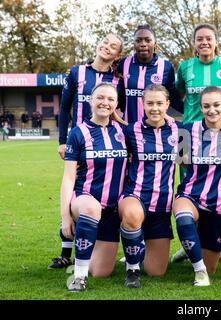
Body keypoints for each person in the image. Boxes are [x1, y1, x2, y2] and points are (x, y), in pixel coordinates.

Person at [49, 33, 124, 270]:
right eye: (104, 41)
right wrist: (62, 140)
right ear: (98, 44)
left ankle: (97, 249)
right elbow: (64, 106)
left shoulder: (117, 78)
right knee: (74, 189)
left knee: (103, 187)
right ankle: (65, 251)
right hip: (79, 142)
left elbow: (119, 111)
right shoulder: (76, 72)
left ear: (117, 55)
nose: (107, 47)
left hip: (105, 141)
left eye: (113, 46)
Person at [172, 23, 221, 263]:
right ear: (194, 43)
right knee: (188, 189)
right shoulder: (185, 67)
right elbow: (178, 95)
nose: (204, 42)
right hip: (188, 136)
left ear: (216, 41)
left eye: (209, 38)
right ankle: (189, 245)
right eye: (200, 39)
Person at [173, 86, 221, 286]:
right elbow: (182, 162)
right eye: (206, 106)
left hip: (218, 203)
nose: (211, 110)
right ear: (201, 107)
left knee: (212, 264)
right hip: (191, 195)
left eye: (216, 105)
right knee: (183, 216)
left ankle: (195, 254)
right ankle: (199, 272)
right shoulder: (188, 130)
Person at [60, 83, 128, 292]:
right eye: (100, 98)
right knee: (91, 209)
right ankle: (79, 278)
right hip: (85, 198)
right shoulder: (78, 133)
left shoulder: (123, 131)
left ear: (116, 104)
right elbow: (68, 177)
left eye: (110, 99)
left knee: (101, 271)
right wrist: (65, 217)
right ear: (90, 100)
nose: (104, 103)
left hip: (111, 209)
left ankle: (86, 247)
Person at [118, 84, 181, 288]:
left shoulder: (180, 131)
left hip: (162, 206)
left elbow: (210, 129)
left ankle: (138, 243)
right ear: (142, 104)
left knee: (156, 271)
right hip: (135, 196)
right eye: (150, 103)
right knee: (133, 215)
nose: (155, 108)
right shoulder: (131, 131)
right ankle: (132, 269)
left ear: (168, 104)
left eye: (160, 103)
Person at [117, 25, 182, 124]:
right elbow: (118, 94)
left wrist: (189, 112)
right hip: (128, 127)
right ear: (134, 44)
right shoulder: (124, 64)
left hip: (155, 128)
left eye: (148, 40)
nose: (143, 44)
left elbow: (172, 98)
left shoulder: (166, 67)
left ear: (155, 44)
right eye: (138, 41)